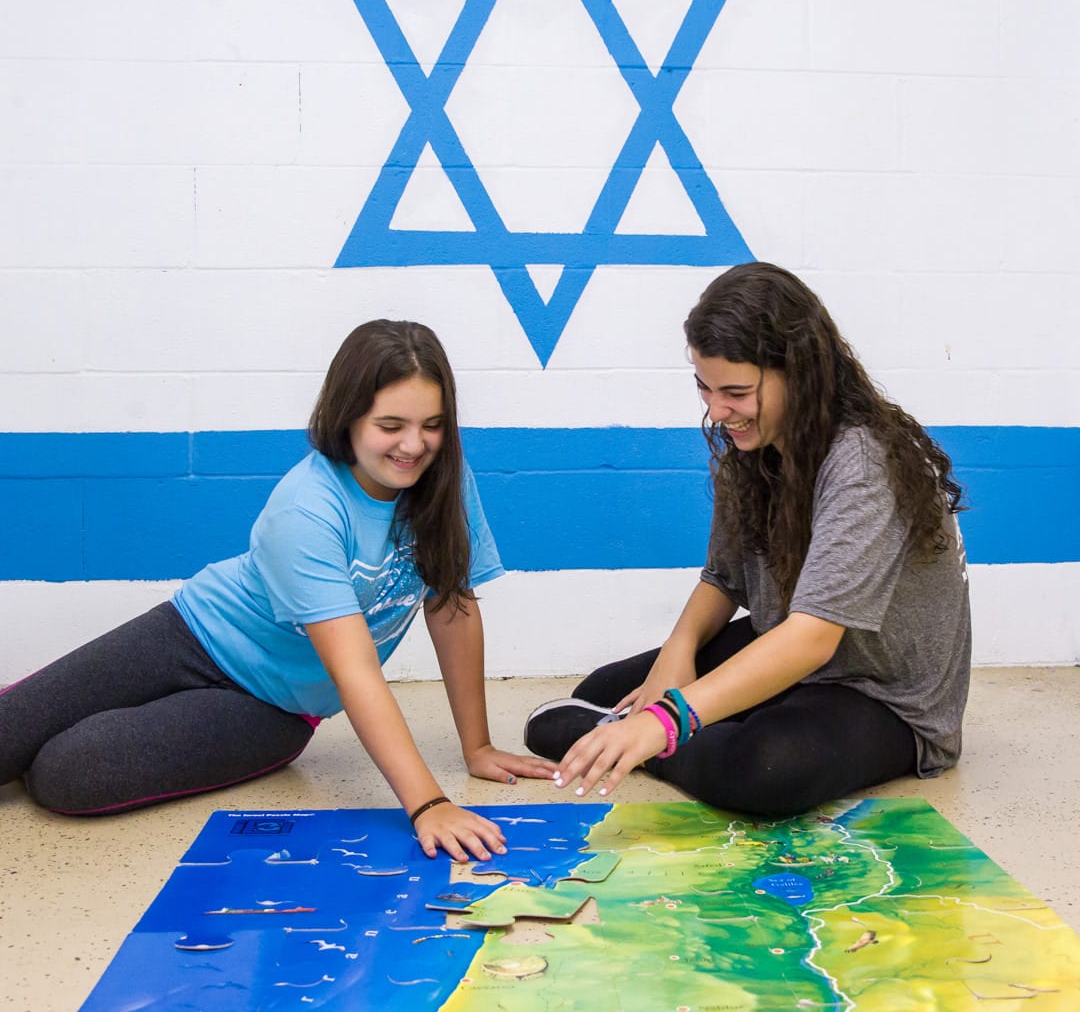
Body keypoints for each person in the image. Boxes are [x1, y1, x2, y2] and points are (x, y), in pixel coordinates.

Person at [1, 320, 555, 860]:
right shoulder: (306, 507)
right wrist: (429, 803)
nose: (414, 445)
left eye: (432, 424)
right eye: (391, 425)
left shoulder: (446, 484)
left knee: (65, 774)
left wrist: (475, 747)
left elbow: (451, 608)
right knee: (12, 730)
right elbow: (357, 670)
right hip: (192, 633)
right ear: (348, 418)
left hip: (271, 706)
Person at [525, 262, 971, 818]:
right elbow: (723, 579)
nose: (716, 411)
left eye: (735, 392)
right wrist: (676, 654)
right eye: (704, 388)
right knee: (600, 692)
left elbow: (812, 639)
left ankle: (660, 745)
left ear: (801, 373)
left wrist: (662, 725)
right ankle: (671, 735)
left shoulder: (860, 460)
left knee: (762, 767)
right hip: (791, 652)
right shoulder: (752, 447)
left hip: (883, 696)